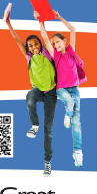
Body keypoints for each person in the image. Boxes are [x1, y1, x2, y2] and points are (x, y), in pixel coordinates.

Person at [5, 7, 57, 176]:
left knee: (48, 129)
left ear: (40, 44)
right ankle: (34, 125)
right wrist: (8, 23)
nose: (34, 47)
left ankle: (47, 163)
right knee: (29, 96)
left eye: (36, 44)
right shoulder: (28, 57)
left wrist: (40, 20)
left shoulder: (47, 54)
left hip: (51, 92)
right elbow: (16, 39)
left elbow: (44, 35)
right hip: (38, 91)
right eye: (31, 45)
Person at [40, 10, 86, 169]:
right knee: (70, 104)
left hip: (74, 90)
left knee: (77, 122)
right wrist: (40, 20)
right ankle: (67, 113)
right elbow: (44, 38)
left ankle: (77, 151)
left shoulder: (72, 51)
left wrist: (59, 17)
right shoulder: (56, 56)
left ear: (64, 41)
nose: (55, 45)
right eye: (53, 44)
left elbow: (72, 29)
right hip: (62, 90)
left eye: (57, 42)